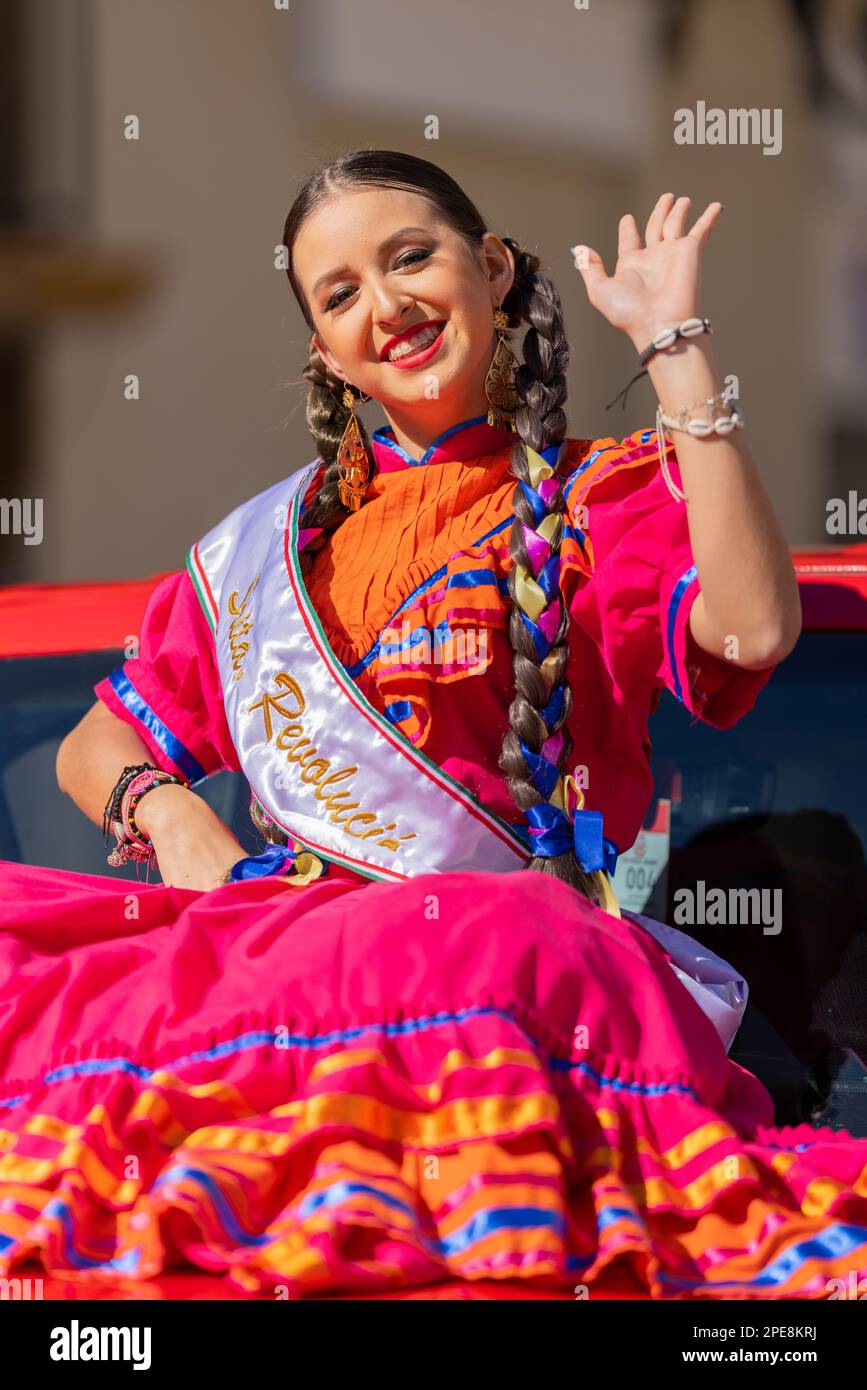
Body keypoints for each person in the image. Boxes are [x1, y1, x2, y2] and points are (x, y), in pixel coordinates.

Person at [1, 150, 863, 1300]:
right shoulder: (267, 556)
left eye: (412, 258)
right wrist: (164, 810)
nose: (387, 306)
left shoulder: (593, 506)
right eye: (340, 292)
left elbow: (753, 630)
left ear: (492, 267)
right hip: (299, 1012)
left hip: (506, 1009)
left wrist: (677, 350)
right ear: (322, 348)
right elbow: (93, 745)